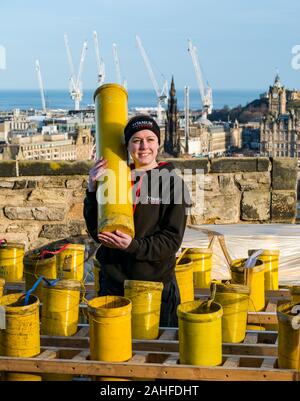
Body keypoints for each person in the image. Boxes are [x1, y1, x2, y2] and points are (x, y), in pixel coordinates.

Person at [84, 115, 190, 327]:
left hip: (154, 286)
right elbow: (97, 230)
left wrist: (133, 246)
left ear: (158, 144)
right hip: (114, 284)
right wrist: (92, 189)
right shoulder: (114, 177)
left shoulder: (174, 184)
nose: (144, 146)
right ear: (128, 145)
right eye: (136, 140)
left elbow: (171, 241)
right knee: (111, 352)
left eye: (150, 139)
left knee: (156, 352)